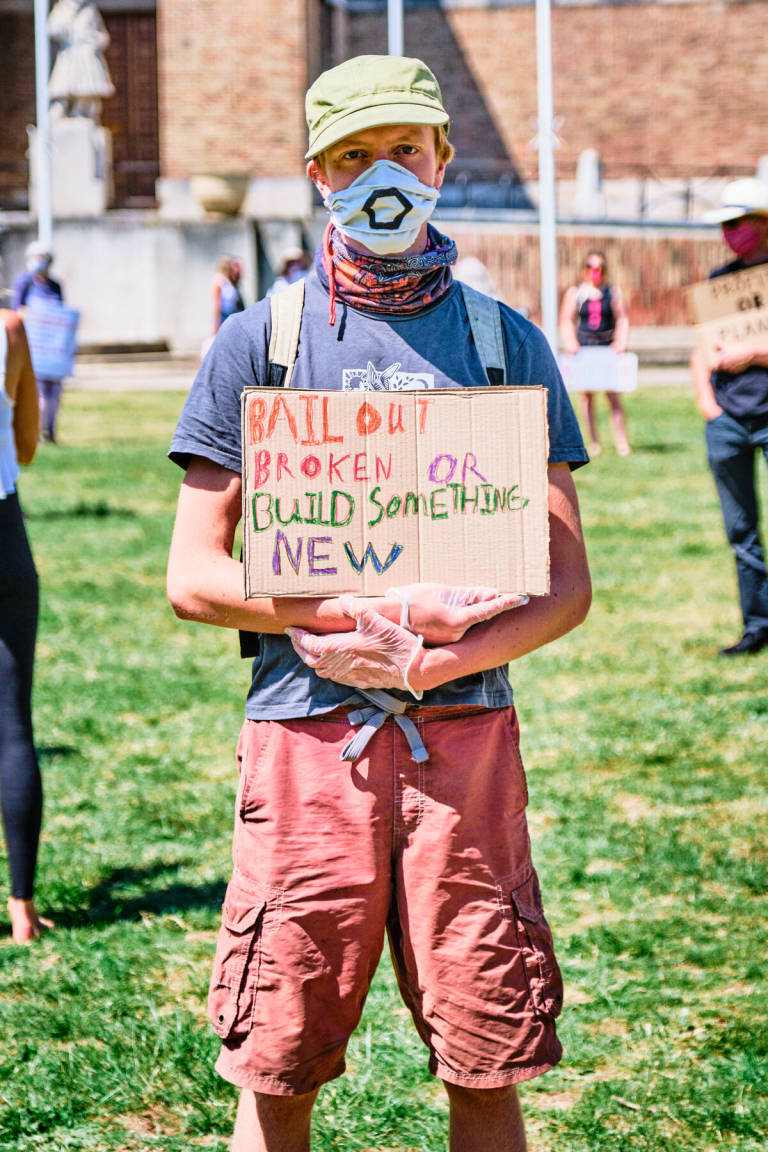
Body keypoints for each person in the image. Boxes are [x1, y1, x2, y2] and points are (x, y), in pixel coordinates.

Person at [167, 54, 591, 1152]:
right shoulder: (260, 342)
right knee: (279, 1061)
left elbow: (568, 582)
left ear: (443, 159)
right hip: (305, 746)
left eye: (402, 149)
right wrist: (342, 617)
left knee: (486, 1056)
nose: (381, 177)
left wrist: (437, 660)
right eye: (353, 157)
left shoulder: (508, 345)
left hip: (466, 741)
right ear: (317, 174)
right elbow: (194, 576)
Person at [691, 177, 768, 656]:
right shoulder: (720, 283)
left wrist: (753, 352)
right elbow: (702, 349)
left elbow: (741, 350)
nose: (730, 232)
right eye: (725, 224)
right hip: (728, 422)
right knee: (742, 533)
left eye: (738, 222)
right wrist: (709, 405)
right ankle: (758, 626)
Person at [0, 309, 51, 943]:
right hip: (2, 530)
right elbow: (28, 444)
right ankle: (22, 909)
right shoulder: (9, 328)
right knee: (12, 721)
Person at [559, 250, 631, 456]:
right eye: (591, 268)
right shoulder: (576, 293)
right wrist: (570, 341)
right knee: (587, 397)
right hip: (585, 349)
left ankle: (621, 442)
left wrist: (620, 341)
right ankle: (593, 442)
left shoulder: (613, 293)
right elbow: (566, 319)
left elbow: (623, 318)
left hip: (607, 348)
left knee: (613, 395)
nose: (595, 272)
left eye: (599, 268)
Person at [13, 242, 65, 444]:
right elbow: (18, 310)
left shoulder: (55, 285)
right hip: (33, 346)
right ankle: (36, 432)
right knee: (37, 393)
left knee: (55, 393)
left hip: (53, 348)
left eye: (43, 256)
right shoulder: (24, 282)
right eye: (37, 256)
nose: (40, 261)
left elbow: (61, 313)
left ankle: (50, 431)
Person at [212, 256, 246, 334]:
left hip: (232, 322)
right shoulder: (218, 280)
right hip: (224, 320)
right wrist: (215, 328)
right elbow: (216, 305)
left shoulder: (229, 281)